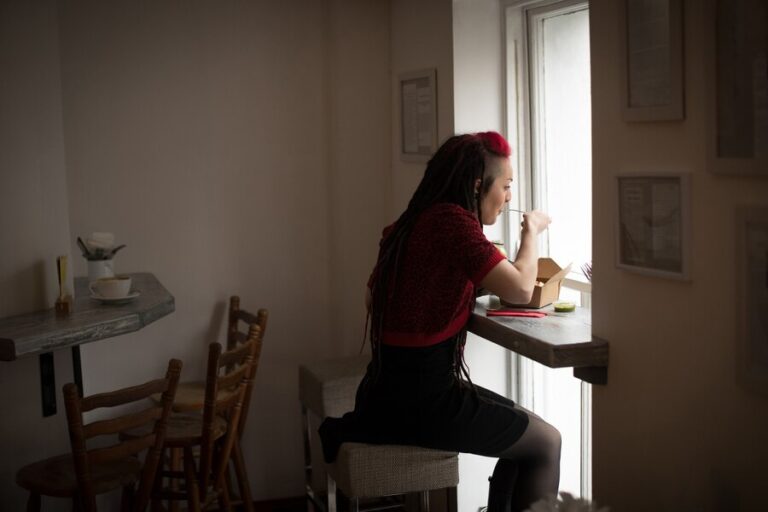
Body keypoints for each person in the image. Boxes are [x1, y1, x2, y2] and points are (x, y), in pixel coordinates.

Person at [319, 131, 561, 512]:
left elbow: (373, 298)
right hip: (423, 402)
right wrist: (530, 232)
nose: (510, 197)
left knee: (521, 425)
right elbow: (519, 289)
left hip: (385, 391)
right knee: (546, 444)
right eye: (507, 186)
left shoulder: (415, 219)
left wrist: (453, 292)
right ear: (479, 185)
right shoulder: (453, 222)